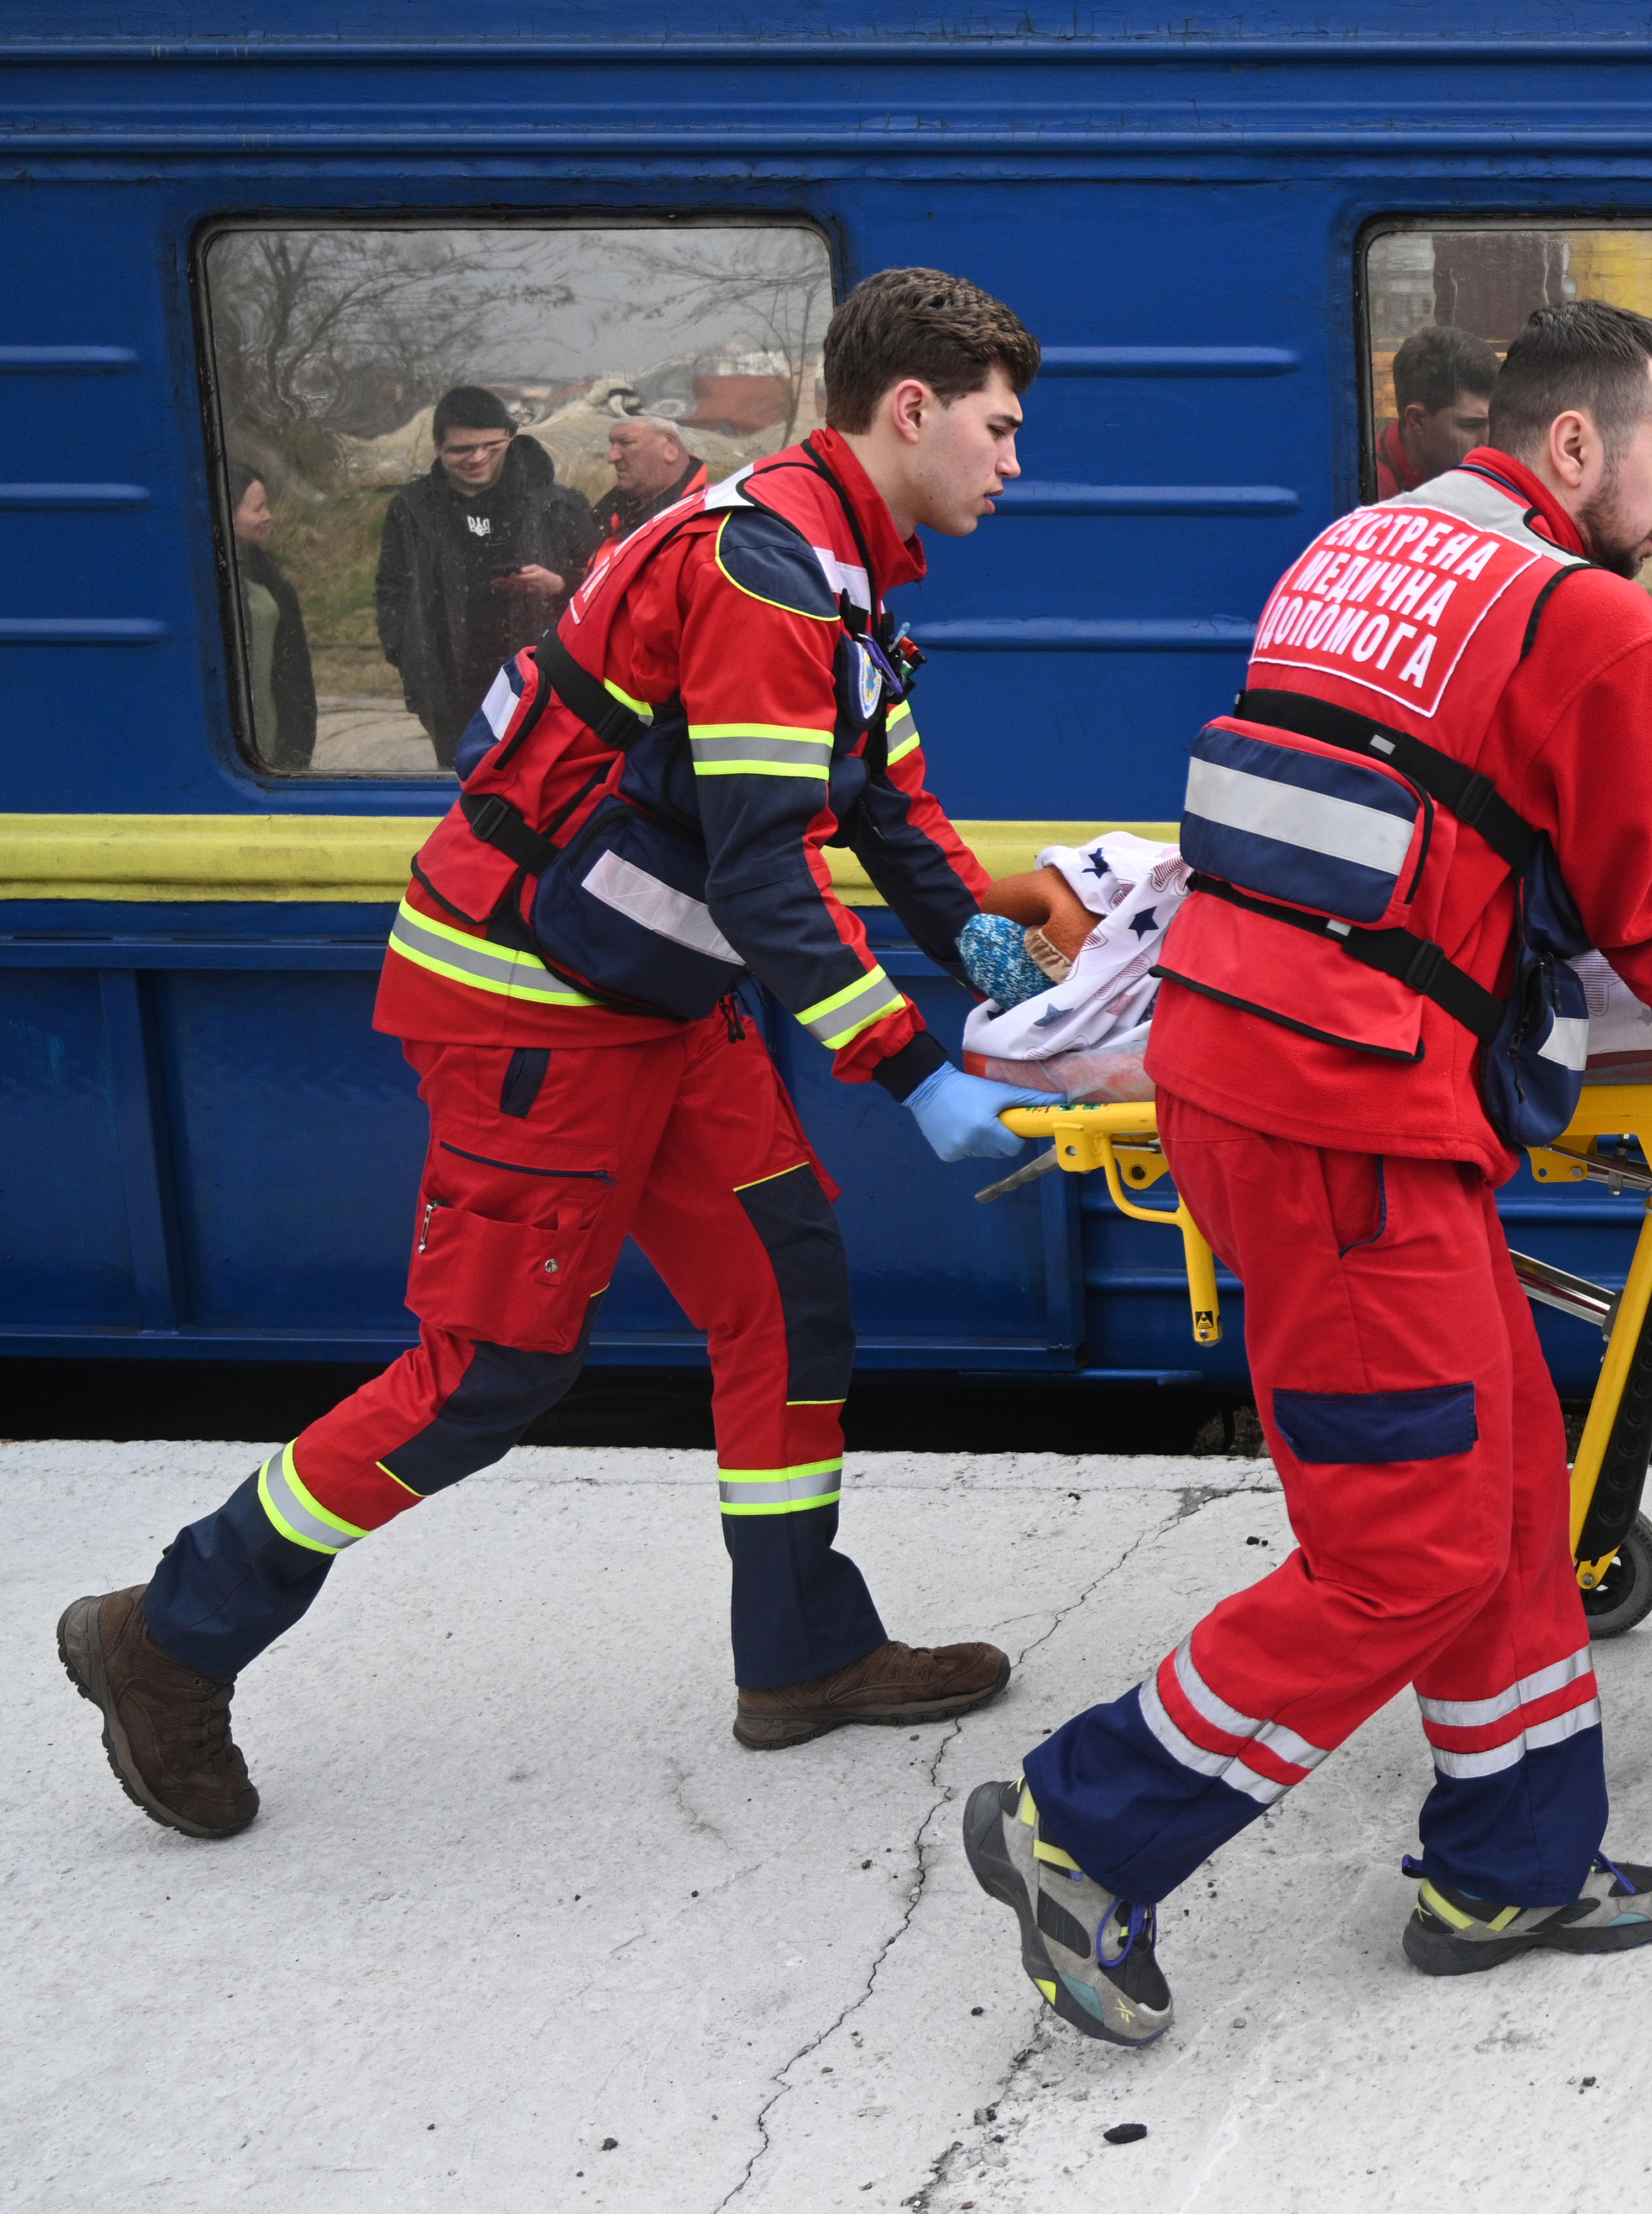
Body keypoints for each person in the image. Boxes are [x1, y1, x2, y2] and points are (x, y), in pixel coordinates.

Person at [966, 299, 1652, 2049]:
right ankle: (1081, 1827)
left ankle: (1510, 1861)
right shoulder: (1591, 622)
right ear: (1576, 448)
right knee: (1402, 1549)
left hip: (1272, 1069)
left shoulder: (1363, 545)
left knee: (1497, 1484)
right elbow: (1644, 902)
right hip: (1341, 1117)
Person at [57, 269, 1053, 1841]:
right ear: (911, 408)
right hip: (531, 1003)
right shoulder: (768, 574)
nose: (1015, 460)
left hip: (649, 992)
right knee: (494, 1369)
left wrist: (996, 959)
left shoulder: (843, 573)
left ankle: (798, 1647)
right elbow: (764, 872)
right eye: (1000, 427)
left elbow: (883, 801)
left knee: (783, 1291)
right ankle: (169, 1631)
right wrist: (913, 1071)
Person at [374, 387, 600, 770]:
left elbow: (602, 587)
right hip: (448, 691)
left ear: (511, 439)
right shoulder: (411, 508)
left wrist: (558, 584)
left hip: (541, 686)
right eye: (462, 449)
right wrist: (407, 655)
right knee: (463, 795)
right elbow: (391, 591)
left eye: (490, 446)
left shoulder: (560, 505)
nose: (477, 459)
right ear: (437, 446)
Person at [228, 473, 317, 773]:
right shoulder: (207, 584)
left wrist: (298, 750)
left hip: (272, 750)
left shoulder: (270, 579)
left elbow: (295, 676)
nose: (269, 517)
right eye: (258, 509)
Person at [1367, 321, 1497, 503]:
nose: (1489, 442)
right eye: (1470, 425)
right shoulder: (1374, 490)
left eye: (1497, 423)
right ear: (1417, 420)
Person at [596, 414, 707, 549]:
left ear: (670, 447)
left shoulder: (700, 527)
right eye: (613, 444)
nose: (612, 457)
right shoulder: (614, 505)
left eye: (627, 443)